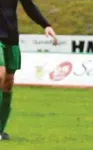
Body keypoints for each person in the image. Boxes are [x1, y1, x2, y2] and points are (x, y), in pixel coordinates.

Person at [0, 0, 57, 140]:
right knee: (0, 74)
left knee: (8, 82)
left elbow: (28, 5)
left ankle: (0, 129)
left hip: (11, 37)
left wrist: (46, 25)